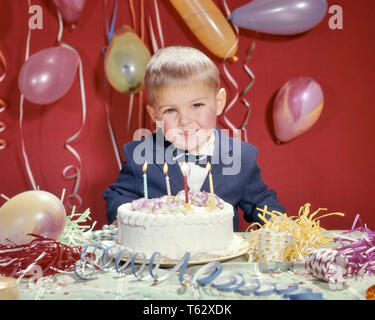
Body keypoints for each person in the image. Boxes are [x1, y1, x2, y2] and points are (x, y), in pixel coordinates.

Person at [103, 46, 285, 231]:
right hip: (161, 257)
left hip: (221, 257)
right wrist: (123, 221)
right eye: (170, 110)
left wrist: (279, 224)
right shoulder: (140, 155)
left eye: (197, 105)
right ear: (155, 115)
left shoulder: (241, 156)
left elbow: (259, 201)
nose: (185, 120)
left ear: (219, 103)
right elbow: (119, 196)